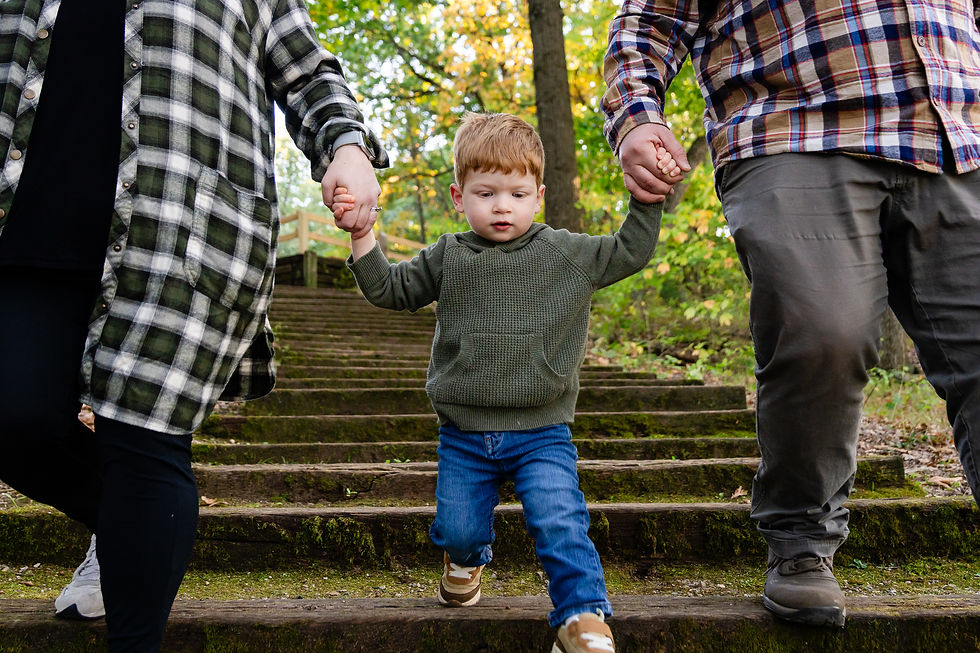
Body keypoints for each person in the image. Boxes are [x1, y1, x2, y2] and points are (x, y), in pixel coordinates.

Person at [0, 1, 386, 650]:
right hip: (30, 210)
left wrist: (344, 144)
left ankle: (136, 573)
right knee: (14, 416)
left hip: (179, 226)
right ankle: (121, 518)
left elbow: (304, 67)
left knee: (144, 442)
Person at [602, 0, 980, 629]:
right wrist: (637, 117)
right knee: (825, 331)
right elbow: (647, 23)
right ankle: (802, 541)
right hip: (794, 127)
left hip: (959, 137)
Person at [334, 112, 661, 653]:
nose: (502, 205)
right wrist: (363, 235)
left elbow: (630, 249)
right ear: (459, 198)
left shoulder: (566, 253)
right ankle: (464, 561)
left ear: (539, 196)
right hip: (464, 433)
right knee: (460, 529)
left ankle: (582, 618)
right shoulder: (449, 255)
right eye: (486, 193)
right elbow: (390, 290)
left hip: (542, 431)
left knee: (561, 522)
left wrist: (647, 199)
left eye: (516, 193)